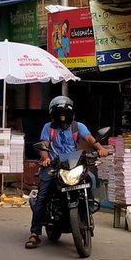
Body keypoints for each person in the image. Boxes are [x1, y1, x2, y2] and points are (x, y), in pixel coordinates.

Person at [25, 95, 106, 249]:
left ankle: (88, 209)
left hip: (73, 164)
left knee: (91, 179)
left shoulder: (78, 127)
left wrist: (100, 149)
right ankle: (35, 233)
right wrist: (45, 158)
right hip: (53, 165)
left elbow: (89, 139)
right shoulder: (48, 127)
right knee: (42, 194)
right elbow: (44, 145)